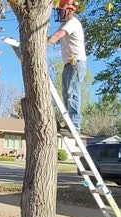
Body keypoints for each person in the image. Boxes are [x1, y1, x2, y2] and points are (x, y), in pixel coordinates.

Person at [47, 0, 87, 135]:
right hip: (69, 64)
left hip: (76, 63)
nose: (59, 13)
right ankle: (69, 122)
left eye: (60, 10)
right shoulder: (65, 24)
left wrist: (41, 43)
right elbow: (53, 37)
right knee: (66, 94)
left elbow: (57, 36)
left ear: (69, 10)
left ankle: (74, 124)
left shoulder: (72, 23)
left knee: (72, 93)